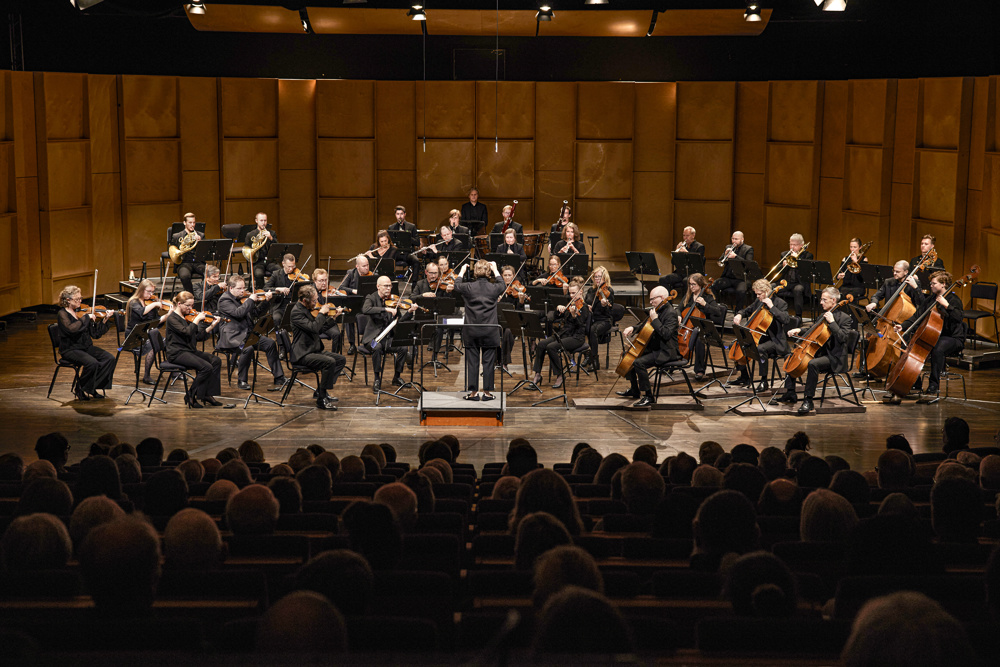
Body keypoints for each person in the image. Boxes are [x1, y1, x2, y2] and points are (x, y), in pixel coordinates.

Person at [778, 286, 851, 415]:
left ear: (834, 300)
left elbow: (843, 338)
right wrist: (799, 330)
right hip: (820, 353)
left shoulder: (845, 318)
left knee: (813, 364)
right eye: (821, 300)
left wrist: (832, 322)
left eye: (824, 300)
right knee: (789, 357)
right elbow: (812, 329)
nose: (821, 302)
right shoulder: (823, 315)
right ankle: (790, 392)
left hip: (835, 357)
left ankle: (808, 400)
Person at [893, 270, 965, 400]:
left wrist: (947, 306)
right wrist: (903, 326)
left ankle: (934, 384)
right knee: (909, 345)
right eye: (931, 283)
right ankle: (914, 382)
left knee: (938, 348)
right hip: (934, 336)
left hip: (952, 338)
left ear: (943, 284)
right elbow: (917, 316)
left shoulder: (953, 300)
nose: (931, 285)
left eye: (934, 283)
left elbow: (959, 318)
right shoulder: (931, 299)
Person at [216, 275, 287, 392]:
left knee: (270, 343)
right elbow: (238, 313)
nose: (242, 291)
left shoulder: (244, 299)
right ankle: (242, 380)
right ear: (231, 288)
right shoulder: (225, 300)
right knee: (247, 349)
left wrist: (267, 301)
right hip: (232, 336)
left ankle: (279, 377)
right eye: (239, 288)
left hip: (247, 334)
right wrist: (250, 300)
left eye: (243, 288)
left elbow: (257, 313)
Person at [616, 285, 679, 408]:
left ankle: (649, 396)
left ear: (662, 298)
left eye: (652, 299)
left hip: (666, 351)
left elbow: (666, 334)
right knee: (628, 356)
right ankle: (634, 390)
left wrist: (655, 320)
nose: (650, 302)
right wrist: (633, 328)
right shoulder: (657, 309)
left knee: (639, 362)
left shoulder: (671, 313)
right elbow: (645, 325)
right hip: (655, 347)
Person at [454, 259, 507, 400]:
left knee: (473, 362)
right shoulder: (494, 288)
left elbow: (456, 285)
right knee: (488, 362)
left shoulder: (468, 287)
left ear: (475, 272)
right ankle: (487, 393)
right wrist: (495, 269)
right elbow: (503, 285)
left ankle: (473, 393)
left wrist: (462, 271)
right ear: (488, 272)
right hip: (490, 330)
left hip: (472, 330)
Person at [164, 291, 226, 408]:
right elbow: (187, 332)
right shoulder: (172, 319)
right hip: (177, 353)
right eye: (187, 305)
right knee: (206, 367)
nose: (190, 308)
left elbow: (198, 337)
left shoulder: (187, 317)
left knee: (216, 361)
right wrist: (197, 320)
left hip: (189, 351)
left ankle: (207, 394)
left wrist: (212, 326)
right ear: (179, 304)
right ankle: (190, 395)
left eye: (192, 305)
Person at [290, 285, 346, 410]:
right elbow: (314, 328)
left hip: (312, 350)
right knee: (329, 362)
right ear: (305, 300)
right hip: (302, 354)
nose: (316, 303)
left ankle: (321, 390)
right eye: (314, 300)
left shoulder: (307, 309)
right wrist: (321, 313)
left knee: (340, 360)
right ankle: (321, 399)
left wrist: (333, 318)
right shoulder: (296, 312)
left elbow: (319, 329)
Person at [56, 285, 116, 401]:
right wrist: (86, 318)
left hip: (85, 347)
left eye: (80, 298)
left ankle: (92, 387)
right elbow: (71, 329)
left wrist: (105, 319)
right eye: (77, 299)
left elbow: (95, 334)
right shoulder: (62, 314)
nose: (80, 301)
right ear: (68, 300)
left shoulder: (82, 312)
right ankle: (80, 388)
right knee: (92, 363)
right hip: (70, 349)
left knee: (109, 358)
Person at [732, 278, 790, 391]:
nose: (757, 296)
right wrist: (739, 314)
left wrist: (772, 307)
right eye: (756, 294)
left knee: (760, 349)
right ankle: (744, 377)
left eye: (759, 294)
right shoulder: (759, 301)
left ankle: (764, 381)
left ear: (767, 291)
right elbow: (747, 310)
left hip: (775, 340)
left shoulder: (780, 303)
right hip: (760, 337)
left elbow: (786, 319)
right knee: (737, 345)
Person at [532, 280, 591, 390]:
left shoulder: (584, 307)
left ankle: (560, 375)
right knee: (541, 344)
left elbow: (580, 325)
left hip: (576, 337)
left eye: (574, 293)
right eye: (570, 293)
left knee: (551, 347)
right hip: (563, 334)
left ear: (580, 292)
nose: (571, 295)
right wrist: (558, 309)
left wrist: (574, 316)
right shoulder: (570, 304)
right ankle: (537, 375)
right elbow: (555, 318)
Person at [362, 275, 410, 392]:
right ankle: (377, 379)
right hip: (372, 340)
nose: (388, 288)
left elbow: (399, 321)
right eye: (386, 286)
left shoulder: (393, 301)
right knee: (376, 347)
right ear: (378, 286)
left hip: (387, 339)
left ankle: (397, 377)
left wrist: (409, 312)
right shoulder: (371, 298)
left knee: (403, 347)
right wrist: (385, 309)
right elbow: (365, 309)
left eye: (390, 286)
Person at [679, 273, 726, 380]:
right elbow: (679, 308)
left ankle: (700, 370)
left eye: (694, 284)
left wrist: (705, 304)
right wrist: (678, 315)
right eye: (690, 284)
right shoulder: (688, 296)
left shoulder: (707, 297)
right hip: (688, 328)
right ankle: (675, 360)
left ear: (700, 284)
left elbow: (718, 312)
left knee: (699, 339)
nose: (691, 287)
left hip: (704, 329)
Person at [125, 279, 169, 385]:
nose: (151, 294)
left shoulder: (150, 302)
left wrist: (166, 316)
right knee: (154, 345)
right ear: (141, 290)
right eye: (149, 291)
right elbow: (141, 312)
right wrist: (155, 305)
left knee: (168, 342)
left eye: (152, 292)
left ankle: (174, 371)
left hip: (147, 334)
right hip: (134, 336)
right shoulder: (133, 302)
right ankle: (146, 376)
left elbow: (155, 322)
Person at [414, 262, 454, 363]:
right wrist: (423, 295)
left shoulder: (441, 285)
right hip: (422, 317)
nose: (433, 276)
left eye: (436, 273)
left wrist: (448, 292)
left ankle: (435, 357)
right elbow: (411, 298)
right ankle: (413, 353)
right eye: (431, 273)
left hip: (436, 317)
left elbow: (448, 303)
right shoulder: (420, 284)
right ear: (426, 272)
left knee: (439, 329)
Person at [583, 266, 615, 372]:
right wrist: (587, 307)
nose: (597, 279)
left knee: (593, 330)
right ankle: (587, 356)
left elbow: (609, 310)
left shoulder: (609, 291)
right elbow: (585, 303)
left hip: (604, 320)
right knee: (582, 327)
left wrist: (604, 305)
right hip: (591, 318)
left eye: (599, 277)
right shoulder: (591, 290)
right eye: (595, 277)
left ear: (605, 277)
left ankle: (595, 361)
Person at [773, 233, 813, 319]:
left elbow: (806, 271)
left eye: (795, 245)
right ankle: (775, 312)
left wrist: (797, 260)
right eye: (791, 244)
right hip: (785, 282)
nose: (792, 247)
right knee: (771, 287)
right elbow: (777, 270)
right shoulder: (784, 254)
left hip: (799, 283)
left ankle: (798, 317)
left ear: (801, 245)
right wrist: (782, 265)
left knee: (798, 290)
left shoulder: (808, 256)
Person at [339, 254, 372, 354]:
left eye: (367, 265)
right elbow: (341, 287)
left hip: (366, 303)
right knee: (348, 317)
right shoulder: (350, 273)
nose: (367, 268)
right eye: (364, 266)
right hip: (353, 303)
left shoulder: (372, 275)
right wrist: (353, 290)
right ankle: (352, 344)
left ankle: (367, 341)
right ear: (357, 266)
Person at [713, 230, 754, 310]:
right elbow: (721, 261)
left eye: (736, 239)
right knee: (714, 285)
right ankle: (716, 308)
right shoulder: (728, 247)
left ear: (742, 239)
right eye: (733, 239)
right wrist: (725, 255)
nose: (734, 241)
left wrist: (735, 256)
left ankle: (738, 312)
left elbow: (748, 264)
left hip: (742, 279)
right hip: (728, 278)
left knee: (741, 291)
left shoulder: (748, 249)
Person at [658, 226, 706, 292]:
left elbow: (697, 262)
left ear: (693, 235)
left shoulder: (699, 247)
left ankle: (686, 299)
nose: (685, 238)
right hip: (681, 273)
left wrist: (686, 252)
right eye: (684, 235)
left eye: (687, 236)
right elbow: (673, 262)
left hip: (694, 273)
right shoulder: (683, 246)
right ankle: (669, 298)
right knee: (663, 279)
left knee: (685, 281)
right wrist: (676, 252)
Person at [265, 252, 307, 327]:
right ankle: (279, 334)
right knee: (277, 318)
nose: (291, 269)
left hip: (294, 305)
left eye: (293, 266)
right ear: (283, 264)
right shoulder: (276, 274)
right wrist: (278, 289)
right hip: (280, 306)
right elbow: (265, 288)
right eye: (289, 266)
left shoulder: (297, 274)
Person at [499, 264, 527, 371]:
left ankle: (504, 362)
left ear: (514, 276)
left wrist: (521, 301)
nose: (507, 277)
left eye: (509, 275)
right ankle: (496, 359)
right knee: (493, 331)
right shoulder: (498, 289)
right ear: (501, 276)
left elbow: (521, 313)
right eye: (505, 275)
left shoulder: (517, 290)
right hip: (499, 320)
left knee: (508, 332)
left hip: (513, 322)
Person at [169, 212, 205, 294]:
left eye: (194, 222)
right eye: (190, 222)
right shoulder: (177, 236)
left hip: (198, 262)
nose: (192, 225)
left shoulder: (201, 235)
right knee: (184, 276)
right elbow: (171, 252)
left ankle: (204, 295)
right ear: (184, 223)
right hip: (184, 263)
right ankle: (191, 295)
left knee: (210, 273)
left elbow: (203, 253)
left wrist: (200, 243)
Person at [310, 268, 343, 352]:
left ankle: (335, 356)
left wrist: (336, 307)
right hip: (315, 321)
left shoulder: (330, 291)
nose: (324, 283)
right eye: (321, 281)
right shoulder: (310, 292)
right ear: (315, 281)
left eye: (325, 280)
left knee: (337, 334)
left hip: (328, 320)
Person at [245, 211, 277, 287]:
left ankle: (275, 289)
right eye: (261, 220)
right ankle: (261, 290)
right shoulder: (250, 235)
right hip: (258, 262)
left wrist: (270, 238)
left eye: (265, 220)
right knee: (259, 274)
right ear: (256, 221)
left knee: (279, 271)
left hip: (270, 261)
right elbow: (247, 249)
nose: (263, 223)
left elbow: (277, 247)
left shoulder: (272, 233)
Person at [387, 205, 419, 274]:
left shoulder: (411, 226)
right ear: (395, 215)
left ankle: (414, 281)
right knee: (387, 260)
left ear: (405, 214)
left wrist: (406, 236)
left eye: (401, 214)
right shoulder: (391, 227)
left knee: (416, 261)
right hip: (396, 253)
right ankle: (390, 279)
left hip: (407, 253)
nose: (400, 216)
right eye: (398, 214)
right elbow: (389, 243)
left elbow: (417, 242)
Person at [837, 237, 868, 303]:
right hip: (845, 287)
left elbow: (863, 277)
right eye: (851, 247)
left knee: (849, 296)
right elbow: (838, 274)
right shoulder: (845, 259)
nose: (852, 249)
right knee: (835, 294)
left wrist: (856, 262)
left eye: (855, 247)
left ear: (860, 247)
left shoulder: (864, 259)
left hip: (858, 287)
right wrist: (839, 276)